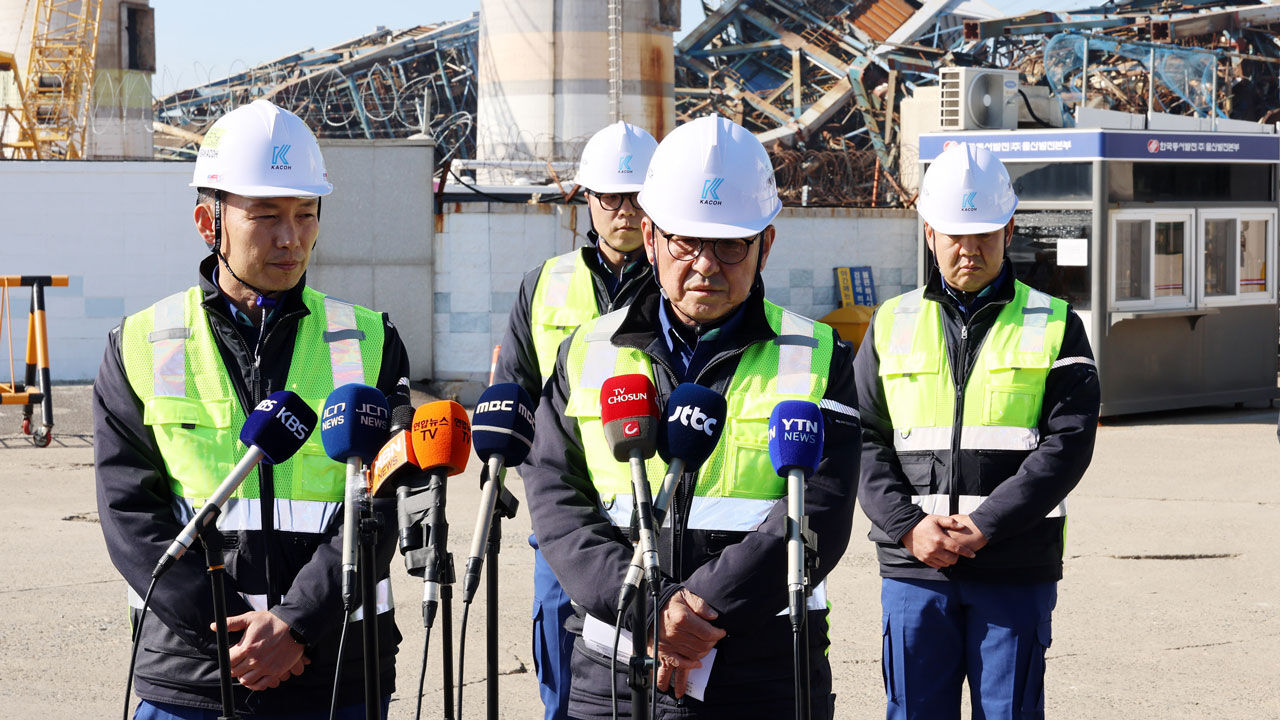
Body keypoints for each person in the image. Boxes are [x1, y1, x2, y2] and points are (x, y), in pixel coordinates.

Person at [520, 114, 861, 719]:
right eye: (685, 241)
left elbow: (822, 510)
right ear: (651, 237)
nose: (705, 265)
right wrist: (649, 612)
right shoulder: (586, 349)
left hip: (762, 670)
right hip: (613, 668)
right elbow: (555, 497)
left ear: (766, 244)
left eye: (730, 245)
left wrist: (699, 611)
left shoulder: (819, 355)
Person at [93, 99, 411, 719]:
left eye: (305, 214)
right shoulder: (139, 344)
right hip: (193, 675)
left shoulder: (371, 341)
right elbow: (131, 514)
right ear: (207, 222)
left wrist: (297, 625)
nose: (291, 238)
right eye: (265, 215)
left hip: (336, 667)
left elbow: (383, 501)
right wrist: (236, 640)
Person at [854, 142, 1100, 720]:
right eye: (954, 234)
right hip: (915, 567)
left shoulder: (1056, 323)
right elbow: (862, 437)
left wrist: (988, 525)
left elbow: (1068, 445)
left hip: (1014, 565)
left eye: (984, 233)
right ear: (929, 232)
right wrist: (907, 527)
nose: (969, 248)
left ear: (1009, 230)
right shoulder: (890, 322)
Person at [491, 120, 658, 720]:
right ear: (587, 198)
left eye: (637, 196)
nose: (624, 210)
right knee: (563, 673)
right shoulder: (543, 286)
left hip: (653, 512)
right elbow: (514, 394)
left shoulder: (684, 283)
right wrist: (503, 470)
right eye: (610, 197)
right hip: (564, 514)